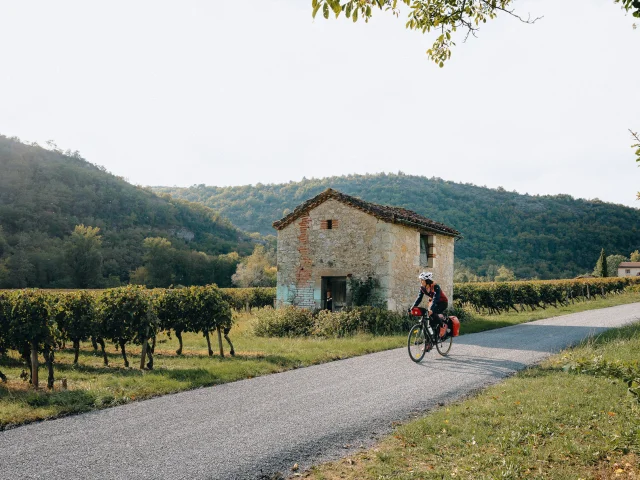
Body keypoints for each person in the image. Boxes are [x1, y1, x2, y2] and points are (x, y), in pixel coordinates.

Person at [410, 272, 449, 336]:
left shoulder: (435, 287)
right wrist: (413, 307)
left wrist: (431, 309)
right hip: (434, 302)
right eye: (420, 280)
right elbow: (419, 298)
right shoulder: (422, 288)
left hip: (442, 303)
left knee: (433, 313)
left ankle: (443, 326)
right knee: (429, 321)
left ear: (427, 281)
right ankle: (429, 342)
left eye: (422, 280)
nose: (421, 282)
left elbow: (435, 299)